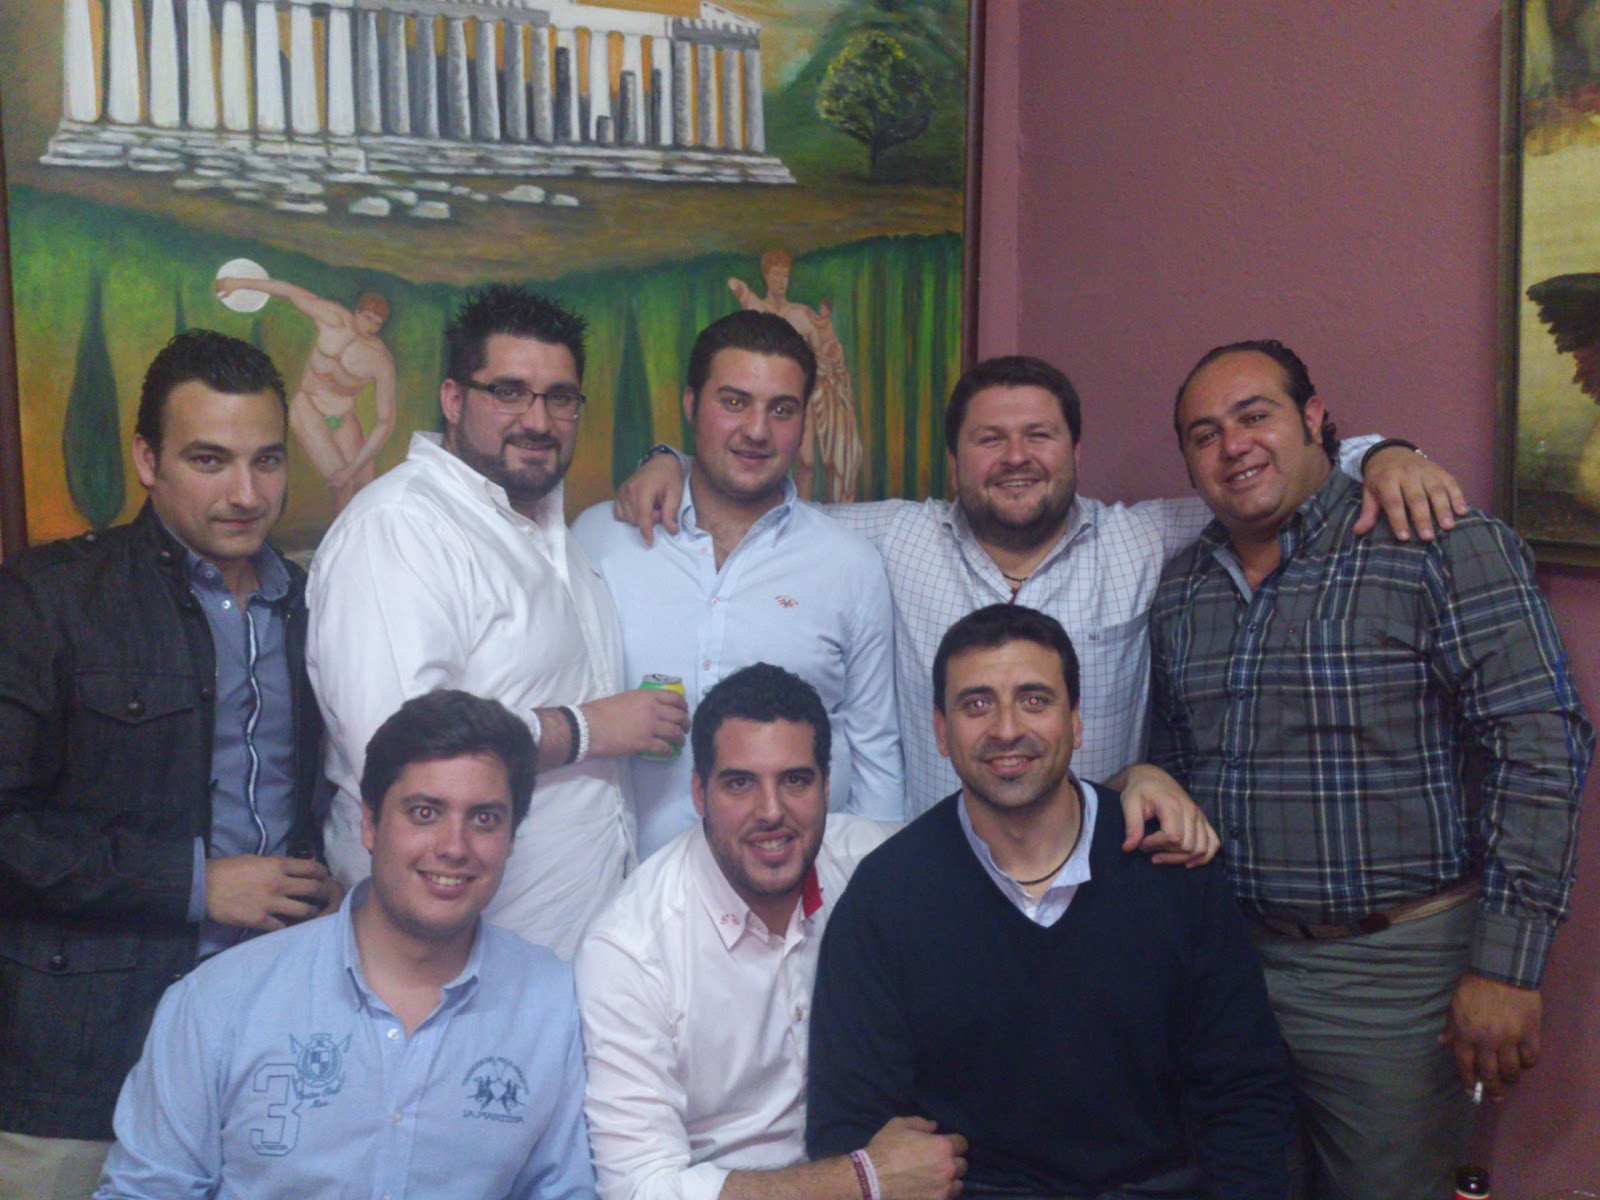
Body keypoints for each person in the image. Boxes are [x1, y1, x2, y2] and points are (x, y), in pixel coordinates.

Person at [615, 353, 1464, 839]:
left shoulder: (1142, 540)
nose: (1016, 457)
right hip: (939, 884)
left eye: (1039, 436)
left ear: (1075, 451)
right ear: (955, 460)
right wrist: (672, 461)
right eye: (990, 439)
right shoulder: (892, 539)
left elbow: (1264, 473)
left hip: (1095, 883)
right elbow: (755, 492)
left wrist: (1385, 454)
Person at [1149, 339, 1595, 1199]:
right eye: (1204, 434)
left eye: (1254, 416)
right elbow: (1175, 766)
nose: (1233, 446)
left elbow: (1539, 745)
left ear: (1315, 420)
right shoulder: (1182, 589)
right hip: (1230, 969)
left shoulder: (1436, 543)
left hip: (1394, 978)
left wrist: (1507, 965)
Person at [0, 330, 337, 1199]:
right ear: (147, 460)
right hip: (85, 1062)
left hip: (268, 1050)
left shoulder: (316, 605)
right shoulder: (47, 599)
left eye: (267, 461)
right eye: (209, 459)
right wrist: (194, 883)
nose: (246, 493)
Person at [806, 605, 1292, 1199]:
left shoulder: (1170, 867)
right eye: (976, 704)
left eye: (1034, 700)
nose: (1007, 729)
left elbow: (1244, 1091)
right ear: (941, 731)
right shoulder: (887, 894)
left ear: (1076, 721)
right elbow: (851, 1126)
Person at [95, 690, 597, 1200]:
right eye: (425, 812)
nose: (454, 846)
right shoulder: (221, 1000)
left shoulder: (555, 1007)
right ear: (370, 824)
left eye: (484, 819)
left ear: (511, 838)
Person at [309, 284, 689, 959]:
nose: (538, 420)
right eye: (509, 392)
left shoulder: (553, 534)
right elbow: (402, 753)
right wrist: (588, 728)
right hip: (449, 965)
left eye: (560, 397)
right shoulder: (400, 527)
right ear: (454, 400)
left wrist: (671, 459)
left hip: (571, 958)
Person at [576, 663, 966, 1200]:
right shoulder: (631, 949)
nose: (771, 811)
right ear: (699, 793)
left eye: (795, 780)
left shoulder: (873, 866)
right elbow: (640, 1188)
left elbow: (1002, 854)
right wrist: (862, 1179)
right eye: (740, 783)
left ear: (826, 786)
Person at [573, 311, 902, 859]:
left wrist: (875, 890)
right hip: (626, 884)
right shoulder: (601, 538)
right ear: (690, 404)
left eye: (782, 410)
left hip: (796, 889)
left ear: (805, 420)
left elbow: (876, 753)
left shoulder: (850, 565)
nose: (757, 430)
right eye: (734, 402)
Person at [215, 276, 398, 512]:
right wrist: (239, 283)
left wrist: (353, 469)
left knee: (364, 487)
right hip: (309, 407)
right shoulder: (334, 318)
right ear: (356, 312)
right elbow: (292, 293)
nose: (369, 325)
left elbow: (385, 422)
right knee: (340, 483)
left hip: (342, 416)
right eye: (367, 317)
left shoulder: (379, 359)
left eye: (376, 323)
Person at [729, 249, 864, 502]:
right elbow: (741, 292)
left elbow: (825, 348)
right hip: (764, 393)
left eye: (785, 276)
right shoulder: (758, 310)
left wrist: (827, 339)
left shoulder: (801, 314)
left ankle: (800, 512)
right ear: (766, 276)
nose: (781, 281)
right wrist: (736, 286)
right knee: (763, 453)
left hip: (799, 394)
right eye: (776, 275)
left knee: (807, 461)